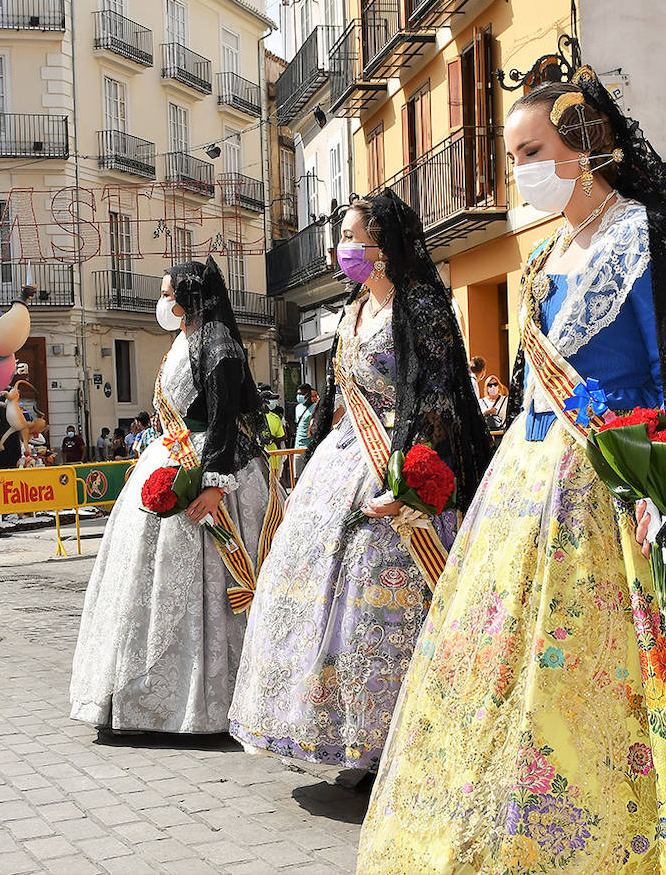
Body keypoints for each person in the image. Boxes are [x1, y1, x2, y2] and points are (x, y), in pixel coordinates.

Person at [357, 70, 666, 872]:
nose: (518, 170)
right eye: (512, 155)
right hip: (527, 477)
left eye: (532, 151)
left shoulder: (651, 234)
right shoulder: (546, 253)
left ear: (587, 147)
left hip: (615, 475)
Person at [229, 189, 493, 774]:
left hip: (396, 460)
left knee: (379, 600)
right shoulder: (350, 309)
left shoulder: (420, 306)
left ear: (386, 244)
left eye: (354, 239)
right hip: (343, 457)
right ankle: (341, 733)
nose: (343, 249)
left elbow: (437, 394)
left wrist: (412, 477)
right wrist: (312, 459)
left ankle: (400, 738)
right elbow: (336, 396)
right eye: (342, 238)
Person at [70, 258, 274, 734]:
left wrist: (213, 484)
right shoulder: (183, 338)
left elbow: (224, 421)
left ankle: (208, 700)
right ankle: (142, 695)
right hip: (172, 457)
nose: (162, 301)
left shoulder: (219, 345)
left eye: (167, 293)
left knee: (205, 589)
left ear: (188, 296)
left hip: (205, 470)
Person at [293, 383, 317, 476]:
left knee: (310, 475)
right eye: (298, 394)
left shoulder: (315, 407)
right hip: (298, 446)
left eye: (302, 394)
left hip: (310, 447)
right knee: (297, 476)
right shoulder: (298, 408)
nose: (299, 396)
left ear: (308, 394)